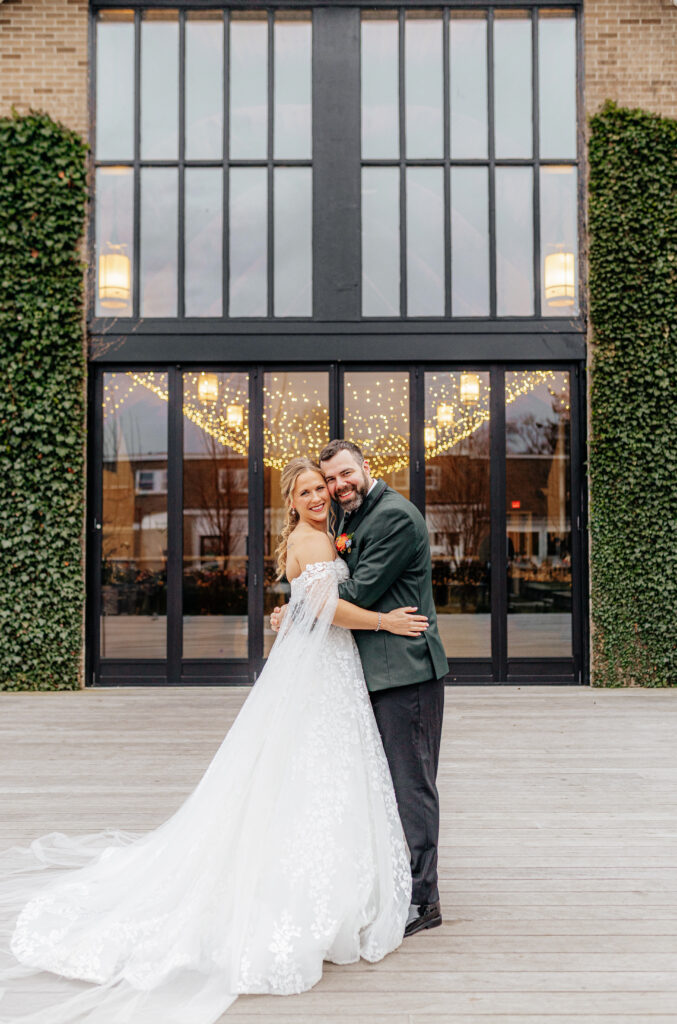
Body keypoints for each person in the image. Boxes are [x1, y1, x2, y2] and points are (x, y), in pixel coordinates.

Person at [0, 456, 428, 1024]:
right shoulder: (316, 541)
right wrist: (385, 622)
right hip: (325, 666)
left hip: (323, 667)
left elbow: (310, 602)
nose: (320, 495)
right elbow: (327, 605)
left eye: (321, 486)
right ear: (292, 502)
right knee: (316, 772)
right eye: (306, 490)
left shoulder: (324, 536)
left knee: (316, 772)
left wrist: (292, 611)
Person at [272, 439, 448, 938]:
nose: (337, 486)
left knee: (411, 786)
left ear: (366, 467)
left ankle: (422, 899)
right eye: (329, 480)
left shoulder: (393, 517)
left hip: (406, 672)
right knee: (384, 785)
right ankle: (395, 884)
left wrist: (299, 606)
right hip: (369, 672)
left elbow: (358, 589)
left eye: (345, 474)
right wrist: (300, 604)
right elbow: (324, 584)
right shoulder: (347, 517)